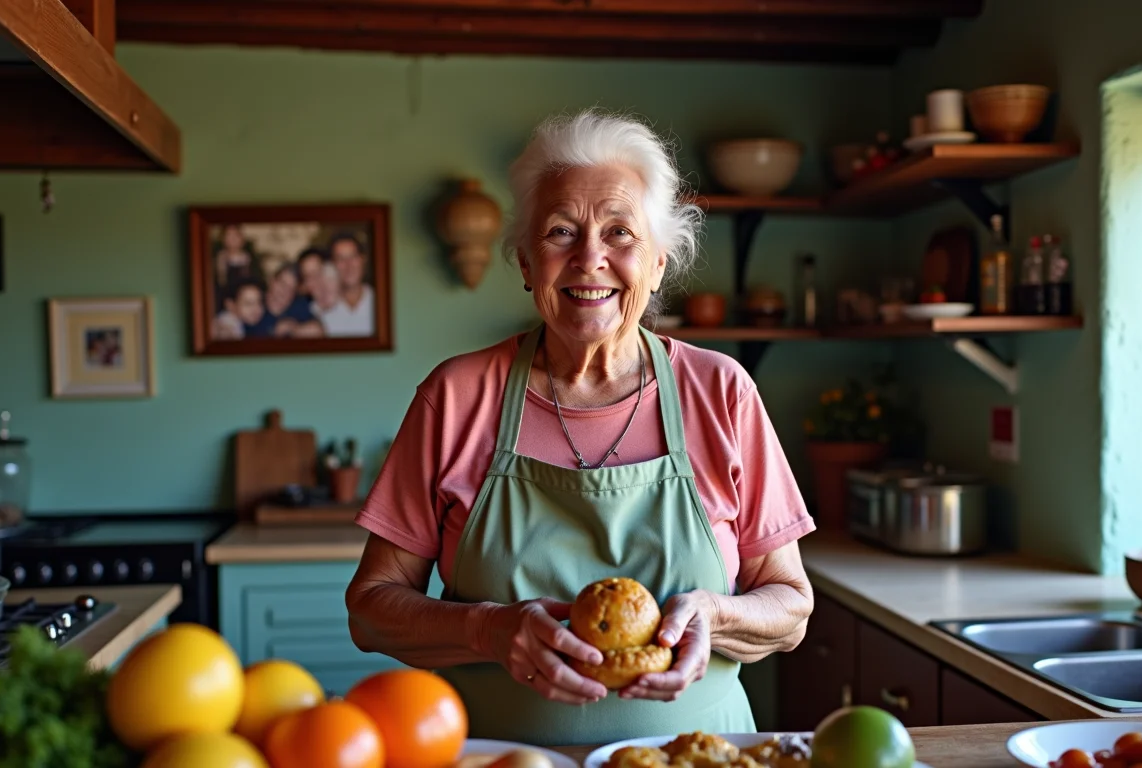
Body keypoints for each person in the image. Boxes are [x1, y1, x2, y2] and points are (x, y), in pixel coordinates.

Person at [345, 109, 815, 747]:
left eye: (620, 233)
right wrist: (488, 629)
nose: (590, 258)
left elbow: (790, 607)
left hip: (704, 761)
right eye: (561, 232)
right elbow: (372, 608)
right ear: (525, 262)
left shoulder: (721, 392)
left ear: (658, 263)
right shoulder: (456, 396)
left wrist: (715, 613)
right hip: (502, 760)